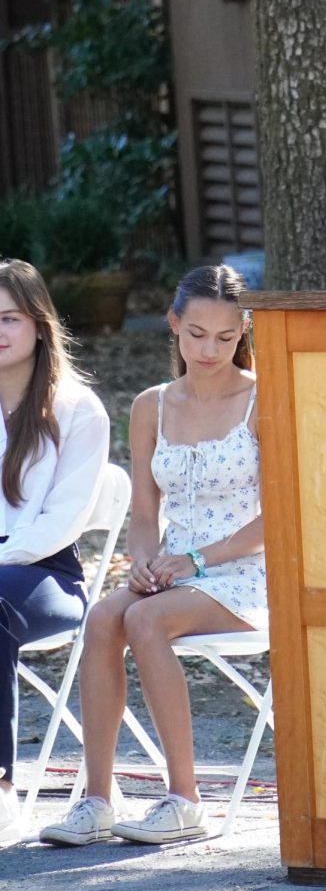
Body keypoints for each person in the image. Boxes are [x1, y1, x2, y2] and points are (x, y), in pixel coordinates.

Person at [40, 264, 265, 846]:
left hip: (250, 571)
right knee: (106, 613)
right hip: (174, 573)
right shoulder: (151, 405)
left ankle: (185, 800)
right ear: (173, 324)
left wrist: (195, 560)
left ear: (244, 331)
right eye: (196, 334)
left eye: (225, 336)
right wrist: (141, 562)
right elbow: (144, 514)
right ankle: (96, 800)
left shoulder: (265, 400)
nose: (210, 348)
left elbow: (283, 519)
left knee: (143, 618)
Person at [0, 260, 110, 846]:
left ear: (39, 325)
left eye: (9, 318)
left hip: (46, 574)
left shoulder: (77, 409)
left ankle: (0, 791)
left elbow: (63, 520)